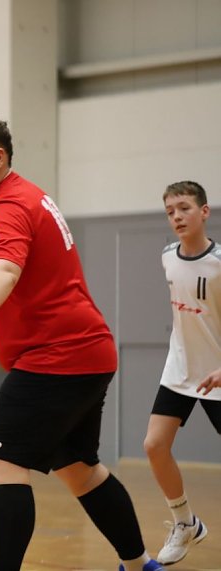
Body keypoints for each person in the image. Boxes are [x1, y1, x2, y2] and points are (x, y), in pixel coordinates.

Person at [0, 112, 162, 571]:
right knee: (79, 468)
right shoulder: (30, 195)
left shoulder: (5, 208)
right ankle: (141, 564)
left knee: (1, 465)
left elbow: (5, 268)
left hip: (55, 356)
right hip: (86, 351)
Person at [143, 180, 220, 566]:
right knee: (155, 446)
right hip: (179, 370)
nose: (177, 216)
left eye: (184, 208)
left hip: (217, 373)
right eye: (170, 211)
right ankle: (185, 523)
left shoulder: (220, 263)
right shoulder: (168, 257)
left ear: (204, 212)